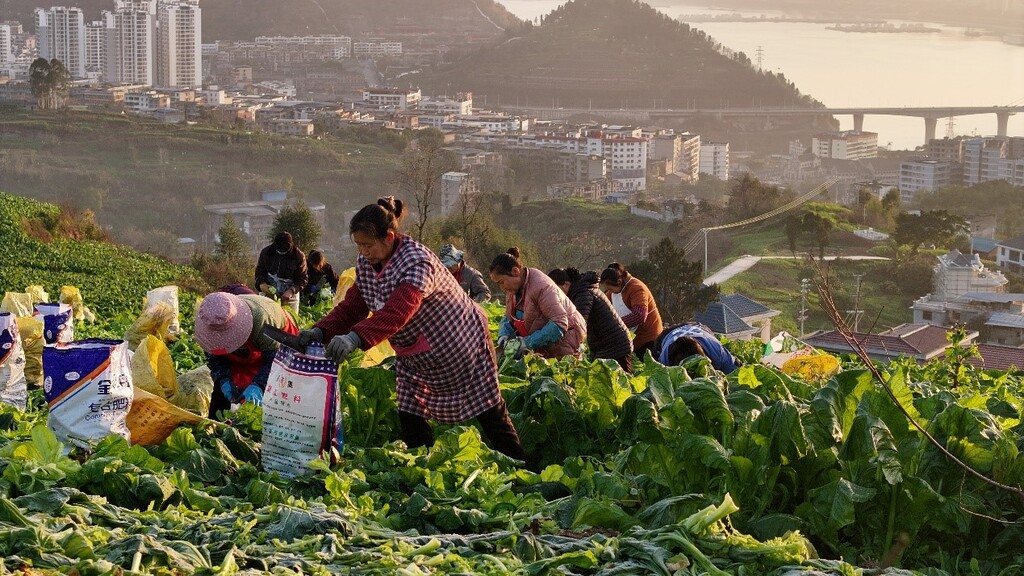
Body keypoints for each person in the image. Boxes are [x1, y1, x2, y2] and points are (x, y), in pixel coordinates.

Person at [296, 197, 525, 461]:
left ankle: (520, 465)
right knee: (410, 411)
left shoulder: (417, 262)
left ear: (389, 237)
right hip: (416, 352)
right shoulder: (367, 265)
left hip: (460, 343)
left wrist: (355, 338)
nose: (363, 252)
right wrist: (320, 332)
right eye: (359, 246)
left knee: (488, 408)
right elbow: (353, 307)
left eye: (368, 245)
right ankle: (420, 465)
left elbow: (400, 310)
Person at [194, 290, 299, 418]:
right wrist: (223, 379)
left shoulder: (263, 320)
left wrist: (259, 385)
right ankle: (215, 426)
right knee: (221, 393)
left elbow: (275, 363)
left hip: (278, 341)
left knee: (275, 394)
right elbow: (215, 358)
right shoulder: (208, 325)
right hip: (247, 352)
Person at [489, 248, 585, 360]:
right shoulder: (513, 289)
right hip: (541, 345)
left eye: (502, 282)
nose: (502, 287)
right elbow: (509, 316)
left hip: (566, 340)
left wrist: (526, 343)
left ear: (515, 271)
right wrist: (503, 336)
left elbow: (560, 323)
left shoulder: (542, 286)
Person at [548, 267, 633, 373]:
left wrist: (561, 350)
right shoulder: (579, 292)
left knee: (624, 386)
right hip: (602, 345)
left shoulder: (583, 294)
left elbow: (579, 325)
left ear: (566, 284)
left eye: (556, 289)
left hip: (616, 346)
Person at [599, 262, 663, 360]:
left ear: (619, 282)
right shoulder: (612, 293)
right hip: (631, 341)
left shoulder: (637, 288)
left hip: (648, 340)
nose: (609, 291)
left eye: (610, 288)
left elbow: (639, 315)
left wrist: (614, 325)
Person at [654, 322, 742, 374]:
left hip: (697, 327)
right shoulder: (665, 361)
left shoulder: (716, 351)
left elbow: (735, 370)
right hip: (666, 335)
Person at [255, 231, 307, 314]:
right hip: (269, 290)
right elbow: (259, 271)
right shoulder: (266, 252)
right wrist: (262, 284)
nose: (282, 252)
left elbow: (302, 278)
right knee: (266, 317)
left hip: (289, 294)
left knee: (290, 320)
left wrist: (291, 291)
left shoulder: (299, 256)